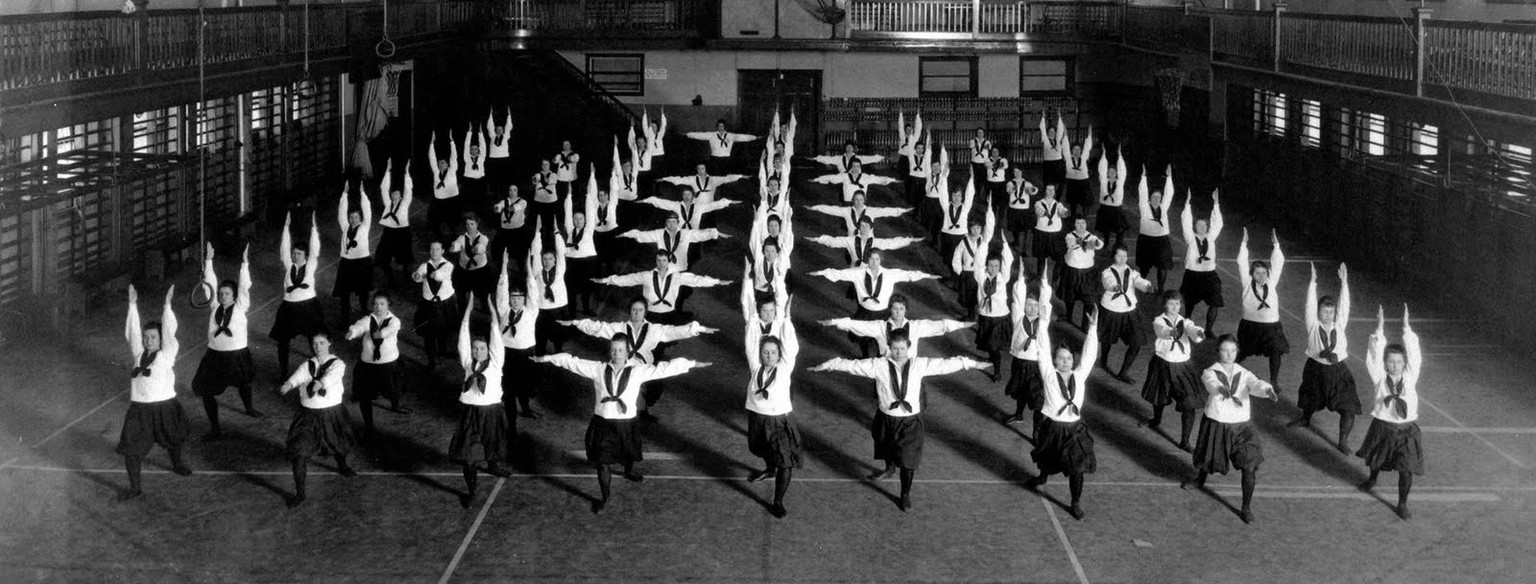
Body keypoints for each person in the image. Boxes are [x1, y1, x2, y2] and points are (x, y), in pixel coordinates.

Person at [810, 334, 991, 511]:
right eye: (895, 348)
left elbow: (946, 364)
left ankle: (905, 494)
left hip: (910, 421)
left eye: (902, 348)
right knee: (887, 448)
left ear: (908, 348)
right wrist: (828, 365)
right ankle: (889, 468)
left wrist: (973, 364)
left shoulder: (919, 364)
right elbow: (852, 365)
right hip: (886, 418)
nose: (898, 352)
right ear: (889, 348)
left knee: (908, 460)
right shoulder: (878, 365)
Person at [533, 336, 711, 514]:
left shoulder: (637, 371)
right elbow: (572, 362)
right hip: (603, 422)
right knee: (602, 463)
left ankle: (628, 471)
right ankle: (605, 497)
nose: (616, 353)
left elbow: (663, 369)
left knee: (628, 453)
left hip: (627, 423)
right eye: (613, 349)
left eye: (620, 350)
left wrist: (691, 363)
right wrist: (546, 358)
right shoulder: (598, 369)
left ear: (627, 352)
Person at [563, 298, 717, 422]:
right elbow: (598, 328)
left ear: (645, 312)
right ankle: (633, 417)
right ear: (629, 311)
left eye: (640, 310)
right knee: (626, 392)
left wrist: (698, 329)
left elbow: (674, 331)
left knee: (654, 390)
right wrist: (576, 323)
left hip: (645, 366)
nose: (636, 313)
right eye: (633, 310)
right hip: (625, 366)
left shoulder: (655, 329)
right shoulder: (619, 328)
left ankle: (642, 411)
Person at [1181, 334, 1279, 525]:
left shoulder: (1244, 372)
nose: (1229, 354)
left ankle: (1246, 507)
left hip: (1242, 425)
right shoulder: (1210, 372)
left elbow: (1255, 384)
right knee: (1208, 458)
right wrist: (1220, 389)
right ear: (1218, 352)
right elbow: (1211, 384)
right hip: (1218, 422)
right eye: (1225, 350)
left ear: (1237, 352)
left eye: (1232, 350)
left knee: (1249, 467)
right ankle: (1200, 479)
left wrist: (1266, 390)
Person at [1023, 310, 1101, 521]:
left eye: (1069, 358)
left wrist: (1092, 328)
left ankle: (1075, 502)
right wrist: (1042, 323)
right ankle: (1042, 476)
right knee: (1047, 458)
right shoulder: (1049, 374)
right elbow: (1041, 347)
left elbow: (1089, 355)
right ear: (1055, 361)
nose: (1065, 362)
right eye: (1061, 358)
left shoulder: (1079, 375)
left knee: (1078, 468)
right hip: (1054, 427)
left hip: (1075, 428)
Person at [118, 285, 192, 501]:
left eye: (153, 337)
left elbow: (169, 332)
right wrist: (132, 305)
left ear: (161, 340)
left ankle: (177, 463)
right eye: (146, 337)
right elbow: (132, 331)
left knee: (174, 438)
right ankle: (135, 488)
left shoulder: (167, 354)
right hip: (139, 409)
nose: (148, 340)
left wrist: (167, 306)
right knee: (131, 450)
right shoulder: (139, 353)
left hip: (164, 405)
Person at [1356, 305, 1424, 520]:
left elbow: (1415, 355)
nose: (1395, 366)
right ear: (1385, 363)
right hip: (1383, 427)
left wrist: (1406, 329)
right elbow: (1373, 355)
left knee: (1406, 470)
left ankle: (1402, 503)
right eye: (1390, 362)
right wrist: (1380, 328)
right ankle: (1372, 478)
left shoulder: (1410, 377)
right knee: (1377, 459)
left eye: (1399, 362)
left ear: (1404, 364)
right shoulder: (1378, 376)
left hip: (1406, 431)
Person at [276, 331, 359, 508]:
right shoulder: (308, 364)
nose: (318, 347)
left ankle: (342, 465)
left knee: (339, 444)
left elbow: (332, 376)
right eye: (315, 344)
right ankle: (300, 493)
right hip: (308, 415)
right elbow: (299, 376)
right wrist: (289, 384)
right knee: (299, 452)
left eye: (321, 343)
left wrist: (320, 383)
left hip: (331, 413)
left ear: (329, 344)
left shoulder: (338, 364)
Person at [1290, 263, 1362, 454]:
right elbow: (1309, 306)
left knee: (1348, 407)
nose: (1328, 315)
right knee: (1310, 398)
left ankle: (1343, 441)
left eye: (1331, 312)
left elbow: (1345, 306)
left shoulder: (1339, 325)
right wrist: (1312, 283)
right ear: (1318, 313)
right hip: (1316, 368)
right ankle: (1306, 418)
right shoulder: (1313, 326)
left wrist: (1344, 283)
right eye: (1324, 311)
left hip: (1338, 371)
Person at [192, 243, 260, 440]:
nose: (222, 296)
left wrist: (245, 263)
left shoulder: (241, 306)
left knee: (244, 384)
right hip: (214, 355)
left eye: (227, 294)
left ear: (235, 296)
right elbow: (210, 284)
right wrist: (209, 260)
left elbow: (245, 286)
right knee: (206, 391)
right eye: (221, 294)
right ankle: (215, 428)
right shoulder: (214, 306)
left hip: (237, 354)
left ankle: (249, 408)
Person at [451, 297, 513, 508]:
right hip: (470, 411)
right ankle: (472, 491)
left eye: (482, 348)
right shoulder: (468, 362)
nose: (477, 352)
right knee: (468, 454)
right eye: (475, 348)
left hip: (492, 411)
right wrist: (467, 311)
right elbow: (462, 338)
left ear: (489, 349)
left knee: (492, 443)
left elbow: (496, 333)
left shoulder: (496, 363)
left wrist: (492, 311)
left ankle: (493, 465)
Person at [743, 318, 802, 519]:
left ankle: (778, 501)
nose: (769, 356)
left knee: (785, 461)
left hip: (779, 421)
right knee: (760, 449)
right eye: (765, 352)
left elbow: (791, 346)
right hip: (757, 419)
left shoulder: (785, 368)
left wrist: (786, 320)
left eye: (773, 352)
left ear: (779, 355)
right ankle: (770, 469)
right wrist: (752, 317)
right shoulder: (755, 368)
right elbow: (750, 342)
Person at [593, 249, 731, 326]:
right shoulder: (646, 275)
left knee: (665, 340)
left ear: (669, 262)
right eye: (658, 260)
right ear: (656, 261)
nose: (661, 263)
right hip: (652, 312)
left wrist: (717, 281)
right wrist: (605, 280)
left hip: (669, 313)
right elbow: (627, 279)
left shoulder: (677, 276)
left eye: (664, 260)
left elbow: (696, 280)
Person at [1142, 291, 1207, 451]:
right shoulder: (1159, 320)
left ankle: (1185, 441)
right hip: (1163, 364)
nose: (1175, 307)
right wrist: (1170, 332)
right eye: (1171, 303)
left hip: (1183, 367)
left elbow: (1192, 329)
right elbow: (1160, 330)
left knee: (1189, 404)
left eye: (1178, 304)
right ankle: (1156, 420)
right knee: (1159, 396)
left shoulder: (1185, 322)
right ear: (1165, 305)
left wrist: (1197, 332)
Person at [821, 294, 971, 358]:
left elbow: (940, 325)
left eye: (901, 309)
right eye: (895, 308)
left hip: (908, 367)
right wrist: (834, 322)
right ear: (890, 309)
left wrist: (962, 324)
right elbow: (858, 325)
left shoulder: (916, 327)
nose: (898, 312)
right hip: (887, 367)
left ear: (906, 310)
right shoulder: (880, 327)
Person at [270, 211, 324, 377]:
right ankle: (284, 371)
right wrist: (286, 227)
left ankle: (319, 365)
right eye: (293, 253)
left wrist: (314, 228)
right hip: (289, 307)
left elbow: (315, 249)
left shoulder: (311, 264)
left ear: (305, 255)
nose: (294, 256)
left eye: (298, 253)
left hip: (308, 306)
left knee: (313, 338)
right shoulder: (288, 265)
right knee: (283, 341)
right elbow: (284, 248)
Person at [345, 291, 408, 434]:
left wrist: (382, 333)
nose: (378, 307)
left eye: (382, 304)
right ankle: (368, 423)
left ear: (388, 306)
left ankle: (395, 405)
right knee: (364, 395)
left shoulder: (394, 321)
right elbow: (360, 326)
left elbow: (392, 329)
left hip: (388, 363)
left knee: (393, 389)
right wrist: (353, 332)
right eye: (375, 304)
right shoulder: (368, 319)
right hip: (368, 363)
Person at [1236, 228, 1289, 385]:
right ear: (1252, 274)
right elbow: (1241, 263)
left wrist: (1276, 245)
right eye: (1258, 273)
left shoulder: (1271, 282)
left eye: (1264, 273)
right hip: (1250, 325)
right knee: (1242, 351)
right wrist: (1244, 244)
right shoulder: (1247, 282)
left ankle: (1274, 380)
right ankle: (1229, 371)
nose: (1261, 276)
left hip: (1271, 326)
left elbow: (1278, 264)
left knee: (1276, 351)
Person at [496, 250, 544, 419]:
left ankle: (526, 409)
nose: (515, 300)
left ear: (524, 299)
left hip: (525, 353)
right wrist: (504, 265)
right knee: (508, 389)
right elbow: (501, 289)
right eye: (512, 297)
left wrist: (528, 268)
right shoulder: (504, 310)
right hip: (507, 353)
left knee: (523, 386)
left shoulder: (531, 311)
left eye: (518, 297)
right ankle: (511, 424)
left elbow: (532, 288)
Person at [1004, 263, 1053, 428]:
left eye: (1035, 305)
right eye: (1029, 304)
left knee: (1038, 400)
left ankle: (1036, 431)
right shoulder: (1018, 318)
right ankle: (1018, 415)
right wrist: (1020, 278)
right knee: (1020, 392)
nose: (1032, 308)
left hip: (1037, 364)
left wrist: (1044, 282)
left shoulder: (1043, 322)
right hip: (1020, 361)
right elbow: (1017, 297)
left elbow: (1045, 301)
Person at [1098, 244, 1154, 383]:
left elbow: (1139, 281)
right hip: (1111, 309)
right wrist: (1114, 287)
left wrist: (1147, 286)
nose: (1122, 259)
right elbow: (1108, 282)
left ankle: (1123, 372)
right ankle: (1103, 360)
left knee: (1136, 342)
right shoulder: (1107, 272)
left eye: (1125, 256)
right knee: (1107, 340)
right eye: (1119, 256)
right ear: (1114, 256)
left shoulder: (1132, 272)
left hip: (1129, 312)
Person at [618, 213, 728, 274]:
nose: (671, 224)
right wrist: (627, 234)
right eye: (668, 222)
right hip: (663, 267)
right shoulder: (659, 233)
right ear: (665, 223)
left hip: (680, 268)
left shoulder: (685, 234)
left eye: (673, 222)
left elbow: (700, 235)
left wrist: (714, 233)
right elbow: (644, 235)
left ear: (678, 223)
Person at [1178, 190, 1225, 334]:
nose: (1202, 227)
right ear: (1195, 227)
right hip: (1192, 275)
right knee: (1189, 303)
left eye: (1204, 225)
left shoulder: (1211, 237)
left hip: (1209, 275)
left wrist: (1216, 204)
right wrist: (1187, 204)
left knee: (1215, 302)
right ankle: (1186, 322)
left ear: (1208, 227)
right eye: (1199, 225)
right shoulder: (1190, 238)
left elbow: (1218, 223)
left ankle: (1209, 329)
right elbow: (1185, 222)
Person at [973, 233, 1015, 380]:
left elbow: (1008, 260)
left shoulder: (1004, 277)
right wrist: (984, 242)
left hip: (1000, 318)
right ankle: (993, 359)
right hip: (986, 316)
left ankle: (997, 371)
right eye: (991, 265)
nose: (993, 268)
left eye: (996, 265)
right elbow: (977, 260)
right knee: (990, 346)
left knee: (994, 346)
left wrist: (1004, 243)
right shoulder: (980, 276)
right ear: (986, 265)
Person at [805, 216, 923, 269]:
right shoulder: (850, 240)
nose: (864, 228)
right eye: (862, 226)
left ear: (870, 228)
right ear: (858, 227)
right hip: (855, 269)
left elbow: (891, 243)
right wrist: (817, 239)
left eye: (867, 226)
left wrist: (910, 240)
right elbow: (833, 241)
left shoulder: (875, 242)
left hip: (870, 270)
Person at [412, 240, 457, 370]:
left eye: (437, 249)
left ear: (442, 251)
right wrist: (417, 275)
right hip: (428, 305)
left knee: (445, 329)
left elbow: (441, 274)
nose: (434, 252)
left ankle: (442, 350)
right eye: (432, 249)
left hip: (446, 303)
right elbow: (419, 274)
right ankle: (431, 360)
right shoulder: (424, 265)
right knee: (429, 333)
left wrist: (434, 274)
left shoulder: (448, 265)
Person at [334, 182, 373, 324]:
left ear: (360, 218)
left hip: (362, 262)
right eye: (351, 217)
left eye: (356, 217)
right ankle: (344, 318)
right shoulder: (345, 227)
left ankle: (364, 310)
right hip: (346, 263)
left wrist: (363, 193)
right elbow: (341, 211)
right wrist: (344, 194)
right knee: (344, 292)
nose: (353, 219)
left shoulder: (365, 227)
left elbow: (367, 210)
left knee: (363, 289)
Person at [561, 181, 601, 315]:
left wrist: (588, 195)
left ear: (584, 220)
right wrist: (569, 195)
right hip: (571, 263)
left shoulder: (589, 230)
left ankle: (586, 309)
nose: (578, 221)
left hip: (586, 263)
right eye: (576, 219)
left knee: (586, 289)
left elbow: (590, 212)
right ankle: (571, 312)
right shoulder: (570, 229)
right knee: (571, 289)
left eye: (580, 219)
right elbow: (567, 213)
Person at [1134, 166, 1177, 292]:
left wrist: (1169, 178)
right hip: (1146, 240)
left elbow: (1169, 194)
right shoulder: (1144, 207)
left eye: (1159, 197)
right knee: (1144, 267)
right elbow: (1142, 192)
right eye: (1154, 197)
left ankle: (1160, 289)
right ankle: (1141, 287)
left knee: (1163, 266)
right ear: (1149, 198)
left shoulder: (1164, 207)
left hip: (1162, 241)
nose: (1157, 199)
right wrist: (1143, 177)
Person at [529, 225, 570, 354]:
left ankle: (559, 353)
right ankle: (540, 357)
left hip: (558, 308)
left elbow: (560, 249)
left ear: (555, 259)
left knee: (558, 339)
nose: (547, 262)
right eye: (544, 259)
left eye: (550, 259)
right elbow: (535, 252)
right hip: (542, 309)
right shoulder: (537, 271)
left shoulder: (559, 270)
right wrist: (537, 232)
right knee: (540, 339)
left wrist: (556, 231)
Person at [1059, 216, 1104, 331]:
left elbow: (1099, 244)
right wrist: (1087, 243)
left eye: (1083, 223)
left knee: (1088, 299)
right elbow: (1072, 244)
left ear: (1086, 224)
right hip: (1072, 271)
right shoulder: (1069, 236)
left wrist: (1094, 243)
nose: (1081, 225)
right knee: (1070, 297)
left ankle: (1085, 325)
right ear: (1074, 225)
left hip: (1087, 273)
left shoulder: (1092, 237)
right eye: (1078, 223)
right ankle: (1068, 316)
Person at [375, 159, 415, 286]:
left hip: (403, 232)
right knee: (382, 256)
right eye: (393, 193)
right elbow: (383, 188)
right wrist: (387, 170)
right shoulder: (388, 203)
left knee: (404, 257)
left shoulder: (404, 203)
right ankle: (390, 276)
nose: (394, 195)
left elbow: (408, 189)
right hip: (389, 231)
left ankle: (406, 274)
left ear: (400, 195)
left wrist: (407, 173)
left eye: (396, 193)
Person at [951, 205, 996, 317]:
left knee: (980, 293)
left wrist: (989, 211)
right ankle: (971, 314)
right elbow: (957, 256)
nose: (976, 231)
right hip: (967, 272)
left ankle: (979, 313)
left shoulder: (983, 240)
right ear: (969, 228)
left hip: (980, 272)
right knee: (968, 295)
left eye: (978, 228)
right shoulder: (964, 241)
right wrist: (959, 271)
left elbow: (990, 228)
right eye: (973, 228)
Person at [807, 190, 910, 237]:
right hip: (852, 240)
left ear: (864, 200)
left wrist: (902, 211)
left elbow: (886, 211)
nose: (859, 202)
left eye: (861, 199)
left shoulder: (871, 211)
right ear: (852, 200)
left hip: (868, 240)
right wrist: (815, 208)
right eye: (856, 199)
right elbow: (832, 209)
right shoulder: (847, 210)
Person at [636, 185, 737, 231]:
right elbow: (660, 202)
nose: (686, 197)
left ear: (693, 196)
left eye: (689, 194)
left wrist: (730, 202)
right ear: (682, 196)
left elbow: (715, 205)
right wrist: (645, 200)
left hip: (694, 234)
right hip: (679, 234)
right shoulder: (676, 205)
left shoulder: (699, 207)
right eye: (684, 194)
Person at [449, 213, 494, 312]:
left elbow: (482, 247)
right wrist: (454, 247)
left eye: (472, 224)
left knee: (483, 293)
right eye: (467, 224)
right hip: (464, 270)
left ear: (477, 224)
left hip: (480, 270)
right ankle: (463, 311)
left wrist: (477, 249)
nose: (469, 227)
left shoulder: (483, 238)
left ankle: (485, 309)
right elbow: (458, 244)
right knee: (460, 292)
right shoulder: (462, 238)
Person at [686, 119, 759, 174]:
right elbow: (700, 135)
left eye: (722, 126)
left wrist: (755, 137)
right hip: (715, 159)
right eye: (719, 126)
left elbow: (743, 137)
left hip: (726, 159)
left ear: (725, 127)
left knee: (725, 176)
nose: (720, 128)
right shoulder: (712, 135)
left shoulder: (731, 136)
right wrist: (688, 135)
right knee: (715, 176)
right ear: (717, 127)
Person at [811, 159, 900, 204]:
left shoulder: (865, 177)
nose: (856, 168)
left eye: (858, 166)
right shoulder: (845, 176)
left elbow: (878, 179)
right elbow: (832, 177)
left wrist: (892, 180)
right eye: (854, 166)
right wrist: (817, 179)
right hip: (848, 203)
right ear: (851, 167)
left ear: (860, 167)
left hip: (861, 203)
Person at [1031, 185, 1070, 280]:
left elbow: (1063, 211)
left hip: (1056, 235)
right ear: (1045, 191)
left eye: (1052, 190)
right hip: (1042, 233)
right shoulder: (1038, 203)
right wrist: (1043, 213)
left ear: (1055, 192)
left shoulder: (1058, 204)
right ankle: (1039, 276)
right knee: (1041, 257)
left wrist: (1065, 213)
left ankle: (1055, 279)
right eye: (1048, 189)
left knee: (1060, 258)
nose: (1051, 191)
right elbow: (1038, 211)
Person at [427, 135, 461, 241]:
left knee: (452, 223)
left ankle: (454, 238)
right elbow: (431, 157)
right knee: (435, 222)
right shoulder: (436, 172)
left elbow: (453, 156)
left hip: (452, 200)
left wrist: (452, 142)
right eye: (439, 163)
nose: (440, 164)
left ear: (447, 164)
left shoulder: (452, 170)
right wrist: (432, 143)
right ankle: (439, 238)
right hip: (439, 201)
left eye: (443, 163)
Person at [1094, 146, 1129, 250]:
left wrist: (1120, 156)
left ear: (1117, 173)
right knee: (1106, 228)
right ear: (1107, 173)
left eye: (1113, 171)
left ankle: (1119, 243)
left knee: (1120, 229)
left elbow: (1123, 170)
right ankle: (1106, 242)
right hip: (1105, 208)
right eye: (1109, 171)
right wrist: (1104, 155)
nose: (1111, 173)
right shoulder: (1104, 181)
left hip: (1116, 209)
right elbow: (1101, 169)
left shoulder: (1120, 182)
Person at [937, 178, 978, 262]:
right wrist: (944, 177)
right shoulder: (946, 206)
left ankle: (956, 274)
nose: (956, 198)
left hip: (960, 235)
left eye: (959, 195)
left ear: (962, 197)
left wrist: (971, 179)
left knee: (959, 258)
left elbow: (969, 195)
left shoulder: (965, 207)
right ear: (950, 196)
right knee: (947, 258)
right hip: (947, 234)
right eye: (954, 195)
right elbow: (943, 193)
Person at [658, 162, 748, 200]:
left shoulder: (713, 179)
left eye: (702, 168)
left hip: (709, 202)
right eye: (699, 169)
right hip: (697, 202)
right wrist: (664, 179)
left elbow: (726, 178)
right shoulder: (693, 179)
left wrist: (741, 176)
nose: (700, 171)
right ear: (697, 170)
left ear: (706, 169)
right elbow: (679, 179)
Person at [492, 184, 530, 274]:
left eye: (514, 190)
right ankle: (501, 270)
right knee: (498, 249)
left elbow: (518, 207)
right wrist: (496, 208)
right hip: (505, 230)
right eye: (510, 190)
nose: (512, 192)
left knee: (520, 252)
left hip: (518, 230)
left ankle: (521, 271)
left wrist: (512, 208)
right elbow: (498, 206)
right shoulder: (504, 201)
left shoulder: (522, 201)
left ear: (518, 191)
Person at [1004, 167, 1040, 256]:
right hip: (1013, 208)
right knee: (1014, 228)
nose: (1017, 173)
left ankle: (1024, 250)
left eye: (1019, 171)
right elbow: (1008, 190)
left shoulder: (1028, 183)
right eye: (1015, 172)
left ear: (1022, 172)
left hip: (1025, 210)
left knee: (1027, 230)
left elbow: (1034, 191)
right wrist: (1011, 189)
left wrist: (1031, 190)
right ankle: (1016, 241)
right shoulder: (1010, 183)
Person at [1062, 127, 1095, 218]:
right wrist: (1065, 133)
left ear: (1081, 151)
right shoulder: (1068, 158)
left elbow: (1087, 146)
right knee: (1073, 201)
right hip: (1072, 182)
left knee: (1086, 200)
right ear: (1072, 151)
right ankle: (1072, 215)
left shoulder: (1084, 157)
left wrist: (1089, 134)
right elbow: (1065, 146)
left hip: (1083, 182)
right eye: (1074, 149)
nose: (1076, 151)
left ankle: (1084, 214)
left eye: (1078, 149)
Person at [460, 125, 489, 211]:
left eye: (476, 149)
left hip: (480, 181)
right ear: (470, 150)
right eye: (472, 149)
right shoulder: (466, 157)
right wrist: (469, 132)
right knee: (469, 198)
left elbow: (483, 146)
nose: (474, 150)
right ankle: (469, 212)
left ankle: (480, 211)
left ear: (478, 150)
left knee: (481, 198)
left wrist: (480, 133)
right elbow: (466, 144)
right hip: (469, 181)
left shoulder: (481, 157)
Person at [813, 140, 884, 173]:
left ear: (853, 149)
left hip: (856, 178)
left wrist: (882, 158)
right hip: (844, 179)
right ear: (845, 148)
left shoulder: (859, 158)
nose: (849, 149)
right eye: (847, 147)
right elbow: (827, 159)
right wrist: (815, 158)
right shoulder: (839, 158)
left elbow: (871, 158)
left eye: (851, 147)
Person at [1039, 112, 1067, 187]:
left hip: (1058, 162)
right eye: (1050, 131)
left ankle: (1057, 197)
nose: (1052, 133)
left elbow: (1060, 129)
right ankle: (1047, 196)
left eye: (1053, 131)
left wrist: (1059, 116)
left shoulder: (1058, 139)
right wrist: (1043, 118)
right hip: (1048, 163)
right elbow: (1042, 129)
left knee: (1061, 182)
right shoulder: (1045, 139)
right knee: (1048, 182)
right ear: (1047, 133)